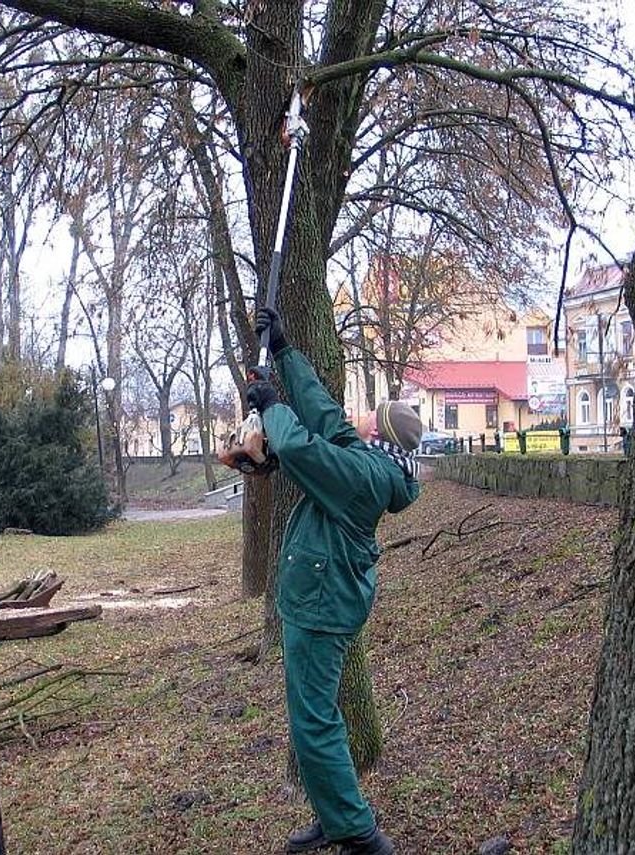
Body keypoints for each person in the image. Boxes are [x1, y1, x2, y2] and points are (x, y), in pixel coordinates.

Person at [246, 307, 422, 855]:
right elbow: (324, 416)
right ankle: (335, 812)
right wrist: (283, 351)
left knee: (313, 723)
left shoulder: (364, 474)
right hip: (322, 600)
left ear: (381, 433)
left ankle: (360, 835)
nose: (361, 419)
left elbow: (301, 448)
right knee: (321, 717)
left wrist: (272, 408)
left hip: (321, 607)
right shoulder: (370, 460)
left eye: (371, 416)